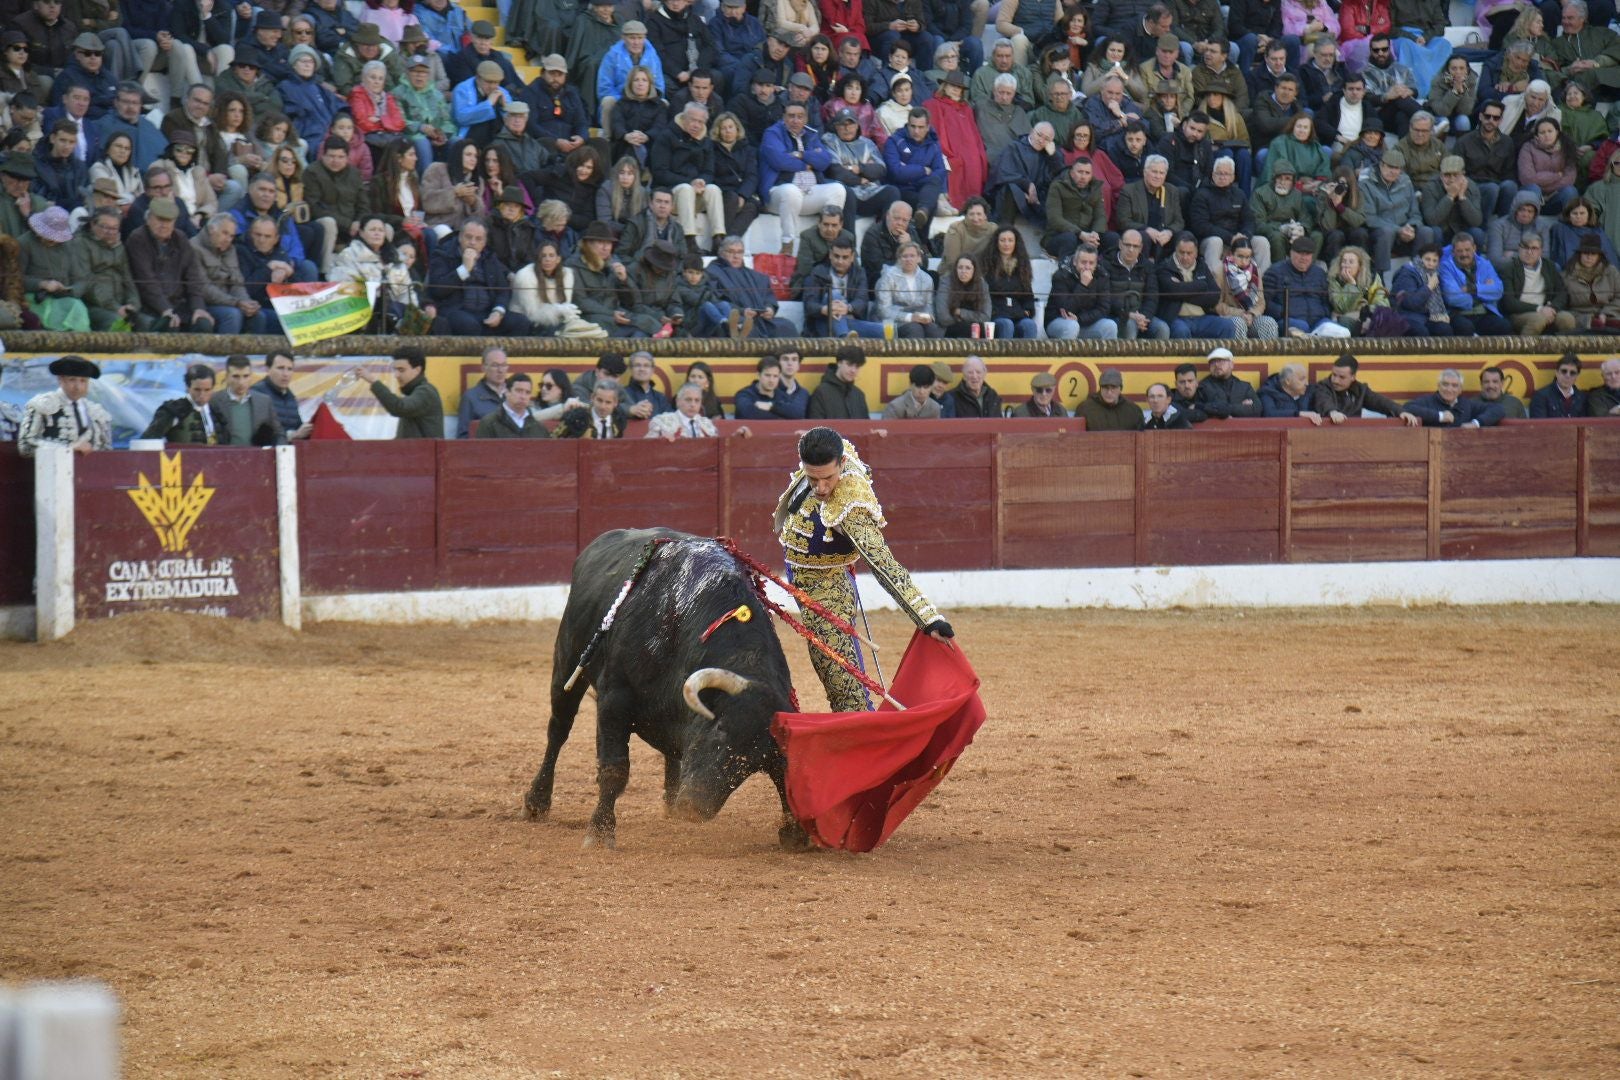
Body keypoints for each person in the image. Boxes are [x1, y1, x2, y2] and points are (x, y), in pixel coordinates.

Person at [773, 426, 951, 712]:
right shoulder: (832, 454)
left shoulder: (851, 506)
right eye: (812, 479)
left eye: (828, 479)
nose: (820, 488)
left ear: (842, 464)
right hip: (802, 579)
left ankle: (866, 742)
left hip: (827, 589)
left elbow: (884, 564)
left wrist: (928, 619)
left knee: (842, 683)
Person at [18, 355, 112, 456]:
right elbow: (26, 446)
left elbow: (106, 451)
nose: (78, 386)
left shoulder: (96, 411)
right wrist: (68, 448)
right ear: (60, 380)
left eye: (83, 381)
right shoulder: (42, 405)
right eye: (72, 380)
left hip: (90, 470)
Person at [1311, 354, 1421, 424]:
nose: (1335, 380)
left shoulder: (1360, 390)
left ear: (1353, 377)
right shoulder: (1323, 386)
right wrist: (1332, 412)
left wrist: (1401, 412)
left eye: (1341, 377)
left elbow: (1380, 401)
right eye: (1334, 375)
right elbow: (1324, 402)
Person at [1439, 235, 1511, 337]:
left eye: (1467, 250)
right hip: (1459, 314)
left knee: (1504, 326)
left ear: (1474, 248)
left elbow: (1498, 290)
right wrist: (1483, 291)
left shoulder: (1485, 264)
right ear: (1453, 252)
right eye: (1460, 251)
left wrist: (1474, 288)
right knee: (1465, 327)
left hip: (1484, 313)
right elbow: (1452, 297)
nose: (1464, 254)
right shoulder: (1446, 267)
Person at [143, 362, 230, 444]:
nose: (202, 395)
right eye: (197, 389)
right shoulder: (174, 410)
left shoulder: (216, 411)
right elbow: (148, 440)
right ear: (188, 387)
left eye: (207, 390)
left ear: (213, 389)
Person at [368, 346, 444, 438]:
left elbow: (399, 408)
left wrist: (373, 381)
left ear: (417, 370)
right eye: (395, 370)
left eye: (401, 370)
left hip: (423, 452)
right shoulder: (415, 393)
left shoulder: (426, 392)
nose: (396, 375)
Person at [1405, 369, 1506, 428]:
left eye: (1454, 386)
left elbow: (1498, 409)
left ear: (1460, 389)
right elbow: (1407, 407)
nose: (1449, 389)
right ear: (1438, 386)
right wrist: (1439, 416)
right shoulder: (1428, 400)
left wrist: (1476, 423)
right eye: (1445, 384)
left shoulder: (1466, 404)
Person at [252, 351, 314, 441]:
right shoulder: (257, 394)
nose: (285, 374)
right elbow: (258, 434)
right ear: (267, 369)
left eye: (289, 369)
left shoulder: (290, 396)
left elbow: (297, 426)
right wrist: (293, 435)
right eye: (280, 368)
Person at [456, 348, 511, 438]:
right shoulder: (471, 398)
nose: (500, 370)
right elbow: (463, 436)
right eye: (495, 365)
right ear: (484, 368)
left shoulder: (515, 394)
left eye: (504, 365)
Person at [1196, 346, 1262, 419]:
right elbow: (1198, 409)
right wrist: (1239, 406)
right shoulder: (1203, 387)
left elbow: (1257, 410)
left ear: (1231, 364)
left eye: (1221, 361)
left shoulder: (1244, 387)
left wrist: (1223, 410)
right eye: (1212, 362)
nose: (1216, 365)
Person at [807, 344, 871, 420]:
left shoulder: (859, 395)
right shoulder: (821, 392)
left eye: (857, 367)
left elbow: (865, 427)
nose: (853, 370)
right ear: (839, 363)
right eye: (849, 364)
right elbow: (816, 427)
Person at [475, 372, 547, 438]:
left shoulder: (539, 427)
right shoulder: (488, 424)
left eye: (527, 392)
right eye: (519, 391)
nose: (523, 396)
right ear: (506, 392)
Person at [1074, 367, 1144, 431]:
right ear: (1100, 388)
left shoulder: (1134, 411)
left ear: (1121, 388)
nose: (1109, 392)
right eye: (1105, 387)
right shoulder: (1085, 409)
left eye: (1113, 387)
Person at [645, 383, 719, 439]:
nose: (693, 404)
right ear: (677, 401)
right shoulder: (662, 421)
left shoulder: (707, 424)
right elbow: (648, 447)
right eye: (688, 400)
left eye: (697, 400)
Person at [1259, 362, 1324, 423]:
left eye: (1306, 379)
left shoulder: (1310, 390)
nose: (1306, 383)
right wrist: (1298, 414)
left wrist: (1331, 411)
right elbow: (1269, 414)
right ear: (1288, 381)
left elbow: (1325, 401)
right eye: (1302, 379)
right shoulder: (1268, 392)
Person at [1529, 353, 1589, 417]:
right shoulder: (1541, 396)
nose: (1567, 376)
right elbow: (1539, 425)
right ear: (1557, 372)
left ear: (1577, 376)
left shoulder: (1582, 398)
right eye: (1564, 371)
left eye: (1572, 373)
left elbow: (1584, 425)